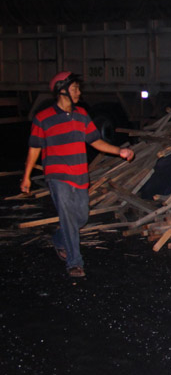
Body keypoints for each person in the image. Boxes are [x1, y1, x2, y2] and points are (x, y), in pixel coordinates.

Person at [20, 72, 134, 278]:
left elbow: (95, 141)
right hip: (57, 175)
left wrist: (120, 151)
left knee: (81, 217)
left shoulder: (81, 115)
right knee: (69, 217)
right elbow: (34, 149)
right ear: (61, 90)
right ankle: (75, 263)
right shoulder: (42, 118)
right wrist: (26, 176)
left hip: (80, 174)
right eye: (74, 89)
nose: (78, 92)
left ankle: (59, 238)